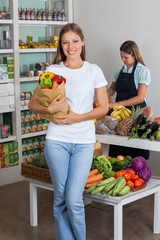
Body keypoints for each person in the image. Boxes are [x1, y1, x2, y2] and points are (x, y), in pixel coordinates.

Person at [28, 23, 108, 240]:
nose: (70, 46)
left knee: (74, 199)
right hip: (57, 140)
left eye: (75, 41)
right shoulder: (53, 71)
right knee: (60, 198)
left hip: (83, 141)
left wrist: (76, 118)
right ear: (60, 45)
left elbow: (103, 107)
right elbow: (32, 104)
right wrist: (49, 108)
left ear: (83, 42)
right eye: (65, 42)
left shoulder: (93, 70)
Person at [107, 40, 151, 159]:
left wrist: (117, 104)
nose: (122, 60)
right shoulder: (118, 70)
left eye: (126, 57)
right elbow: (112, 88)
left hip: (137, 114)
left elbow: (140, 97)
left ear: (134, 55)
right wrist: (107, 95)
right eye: (121, 56)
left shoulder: (142, 71)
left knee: (135, 151)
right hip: (119, 114)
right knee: (118, 151)